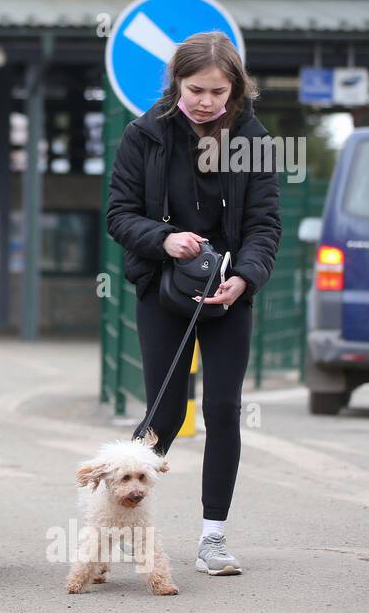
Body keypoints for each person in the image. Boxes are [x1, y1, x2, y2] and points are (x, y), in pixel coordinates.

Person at [106, 31, 281, 576]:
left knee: (223, 409)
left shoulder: (253, 138)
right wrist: (164, 239)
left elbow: (264, 224)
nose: (206, 100)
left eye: (218, 90)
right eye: (196, 88)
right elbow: (118, 213)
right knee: (166, 412)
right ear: (177, 82)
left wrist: (246, 279)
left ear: (236, 89)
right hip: (163, 289)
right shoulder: (145, 134)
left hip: (228, 293)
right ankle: (118, 523)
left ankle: (213, 538)